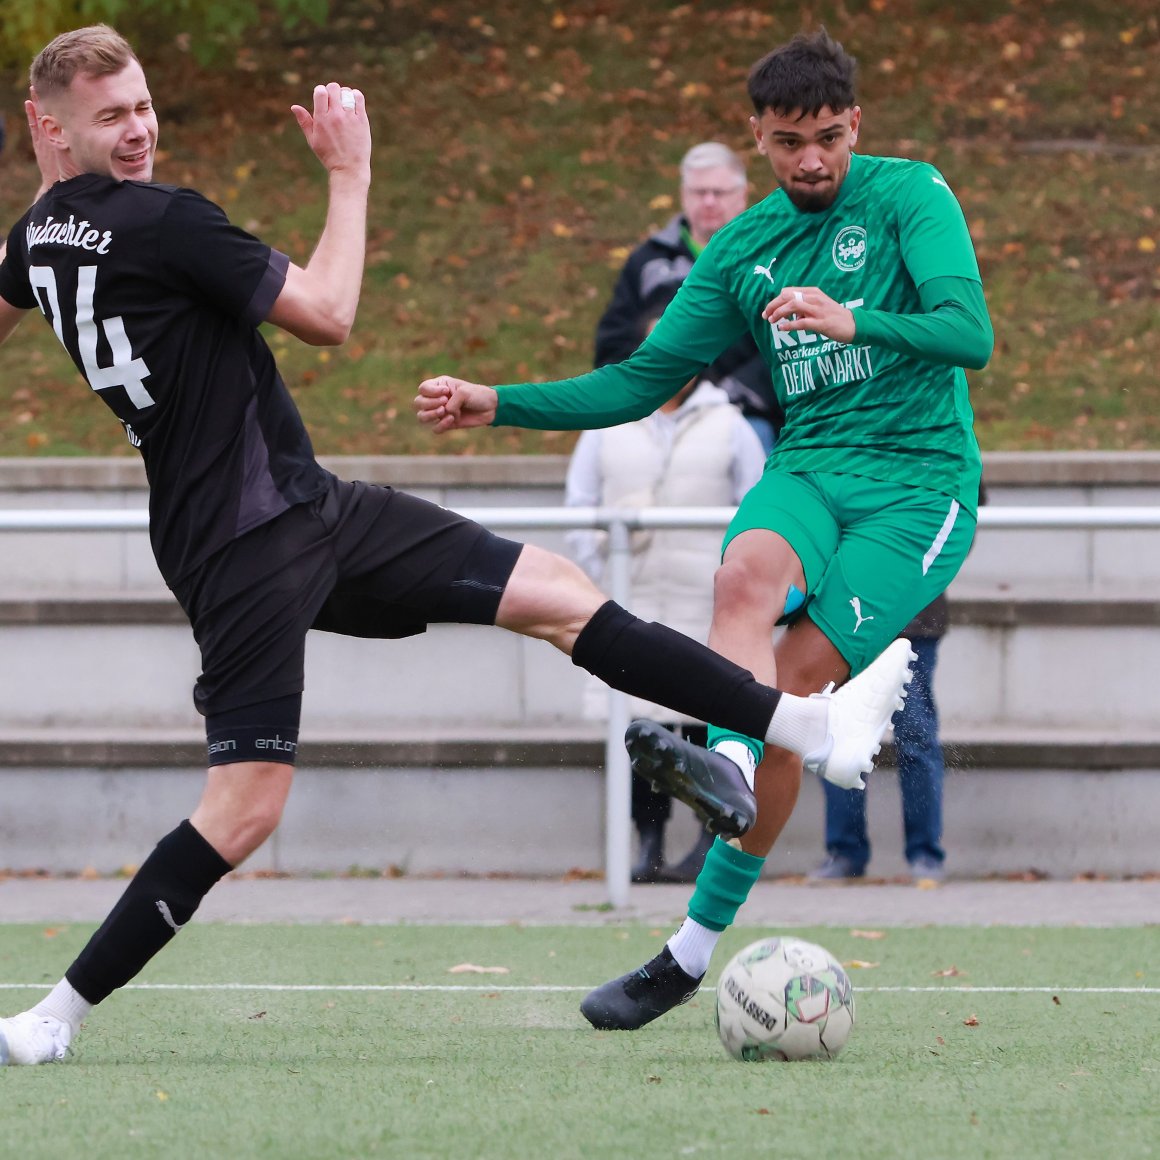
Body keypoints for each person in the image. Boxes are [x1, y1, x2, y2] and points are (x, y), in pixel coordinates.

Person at [0, 25, 911, 1066]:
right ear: (53, 123)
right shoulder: (165, 222)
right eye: (111, 116)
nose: (139, 131)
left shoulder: (37, 240)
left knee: (557, 591)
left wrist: (51, 182)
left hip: (303, 511)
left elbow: (32, 264)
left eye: (143, 105)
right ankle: (52, 1017)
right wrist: (350, 172)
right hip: (247, 545)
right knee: (245, 806)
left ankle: (806, 726)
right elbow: (330, 314)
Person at [416, 28, 992, 1032]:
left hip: (917, 485)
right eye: (785, 142)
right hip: (808, 467)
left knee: (793, 684)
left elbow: (967, 332)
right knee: (742, 590)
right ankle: (730, 760)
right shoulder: (740, 247)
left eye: (824, 137)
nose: (807, 159)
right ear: (756, 139)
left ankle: (688, 950)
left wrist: (858, 322)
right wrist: (493, 399)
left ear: (853, 123)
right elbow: (639, 381)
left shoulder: (910, 196)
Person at [567, 287, 768, 882]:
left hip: (704, 607)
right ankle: (646, 845)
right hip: (631, 603)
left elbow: (757, 509)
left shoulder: (730, 425)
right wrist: (604, 564)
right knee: (638, 729)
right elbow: (580, 505)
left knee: (709, 725)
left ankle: (709, 846)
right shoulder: (606, 422)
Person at [594, 141, 783, 454]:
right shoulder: (647, 263)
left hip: (744, 413)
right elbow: (613, 343)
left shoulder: (770, 261)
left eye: (719, 193)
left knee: (754, 439)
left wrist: (726, 397)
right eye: (699, 192)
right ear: (683, 195)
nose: (708, 201)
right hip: (651, 414)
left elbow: (784, 346)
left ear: (742, 195)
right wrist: (648, 393)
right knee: (608, 442)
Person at [811, 597, 948, 882]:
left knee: (916, 737)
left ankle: (925, 852)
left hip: (911, 617)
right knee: (839, 733)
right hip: (845, 620)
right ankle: (845, 851)